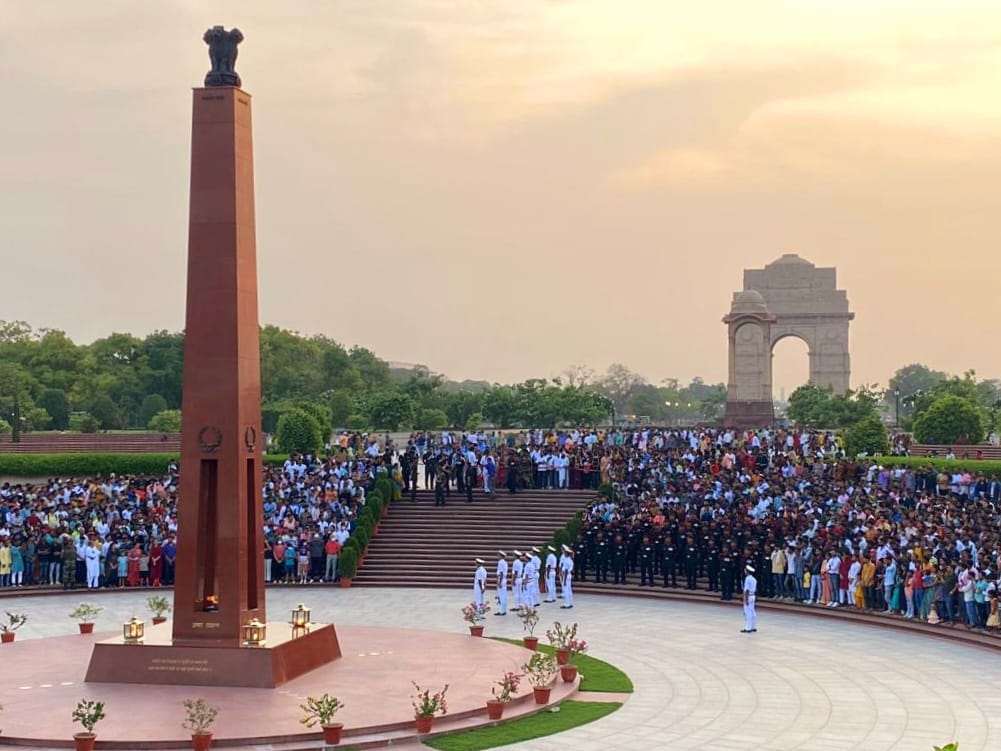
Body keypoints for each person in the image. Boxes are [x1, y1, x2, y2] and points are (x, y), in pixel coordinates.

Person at [741, 564, 758, 633]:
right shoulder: (754, 579)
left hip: (749, 596)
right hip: (753, 595)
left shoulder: (747, 579)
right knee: (752, 611)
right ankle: (753, 626)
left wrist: (746, 599)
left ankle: (748, 627)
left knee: (748, 612)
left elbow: (747, 590)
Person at [559, 545, 574, 609]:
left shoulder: (566, 561)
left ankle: (567, 604)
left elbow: (565, 570)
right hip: (569, 575)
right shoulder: (570, 560)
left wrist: (564, 580)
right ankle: (570, 603)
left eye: (565, 552)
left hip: (566, 575)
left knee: (566, 590)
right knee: (569, 589)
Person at [495, 550, 508, 615]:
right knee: (503, 595)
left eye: (498, 555)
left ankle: (501, 611)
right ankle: (503, 610)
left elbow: (501, 573)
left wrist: (499, 582)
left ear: (500, 556)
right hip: (504, 579)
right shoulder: (505, 562)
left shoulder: (500, 562)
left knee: (500, 595)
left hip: (501, 579)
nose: (498, 556)